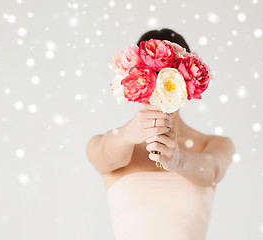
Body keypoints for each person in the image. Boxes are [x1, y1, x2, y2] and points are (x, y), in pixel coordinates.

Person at [86, 28, 236, 240]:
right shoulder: (114, 147)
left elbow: (211, 171)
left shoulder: (213, 145)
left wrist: (179, 160)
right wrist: (129, 133)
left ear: (187, 85)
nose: (158, 92)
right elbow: (103, 154)